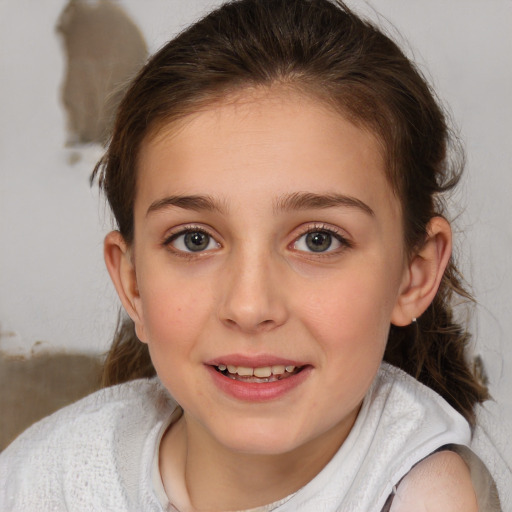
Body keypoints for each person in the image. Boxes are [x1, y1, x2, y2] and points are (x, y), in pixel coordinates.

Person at [1, 0, 510, 510]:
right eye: (194, 240)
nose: (249, 306)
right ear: (133, 282)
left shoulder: (426, 497)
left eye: (319, 240)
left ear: (413, 275)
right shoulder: (46, 479)